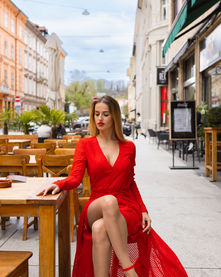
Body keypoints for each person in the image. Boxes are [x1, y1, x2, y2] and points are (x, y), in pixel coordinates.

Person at [37, 95, 188, 277]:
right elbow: (75, 178)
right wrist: (58, 184)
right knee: (108, 201)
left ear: (115, 116)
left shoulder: (129, 147)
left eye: (105, 114)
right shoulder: (85, 145)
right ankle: (129, 269)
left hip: (125, 206)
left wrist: (143, 209)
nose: (99, 118)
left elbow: (131, 181)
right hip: (96, 205)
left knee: (100, 228)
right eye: (96, 114)